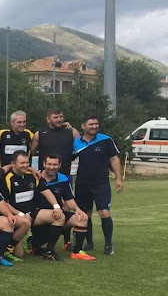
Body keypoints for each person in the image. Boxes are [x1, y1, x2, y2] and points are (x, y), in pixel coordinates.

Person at [72, 115, 123, 255]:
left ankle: (108, 244)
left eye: (96, 123)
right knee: (85, 215)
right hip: (82, 184)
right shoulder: (76, 143)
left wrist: (119, 179)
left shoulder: (106, 140)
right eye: (91, 124)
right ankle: (89, 243)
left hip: (101, 184)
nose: (94, 126)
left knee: (104, 212)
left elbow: (114, 159)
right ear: (83, 126)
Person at [1, 151, 64, 261]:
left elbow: (46, 191)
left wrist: (56, 206)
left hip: (31, 213)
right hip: (15, 215)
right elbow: (4, 203)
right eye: (22, 163)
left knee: (60, 216)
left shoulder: (32, 176)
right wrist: (21, 214)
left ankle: (49, 251)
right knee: (19, 254)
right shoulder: (7, 178)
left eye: (27, 162)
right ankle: (2, 243)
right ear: (13, 163)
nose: (25, 165)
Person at [33, 154, 93, 261]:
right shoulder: (35, 176)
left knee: (82, 218)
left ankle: (77, 251)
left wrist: (78, 210)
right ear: (44, 164)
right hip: (37, 216)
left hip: (58, 214)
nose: (52, 167)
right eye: (49, 164)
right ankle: (35, 242)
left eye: (55, 164)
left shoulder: (63, 179)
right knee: (39, 250)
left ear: (59, 165)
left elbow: (69, 199)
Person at [30, 107, 79, 175]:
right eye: (55, 117)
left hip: (65, 175)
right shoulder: (39, 134)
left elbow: (81, 152)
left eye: (61, 117)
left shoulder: (72, 132)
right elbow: (30, 154)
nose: (59, 119)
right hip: (44, 177)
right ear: (48, 119)